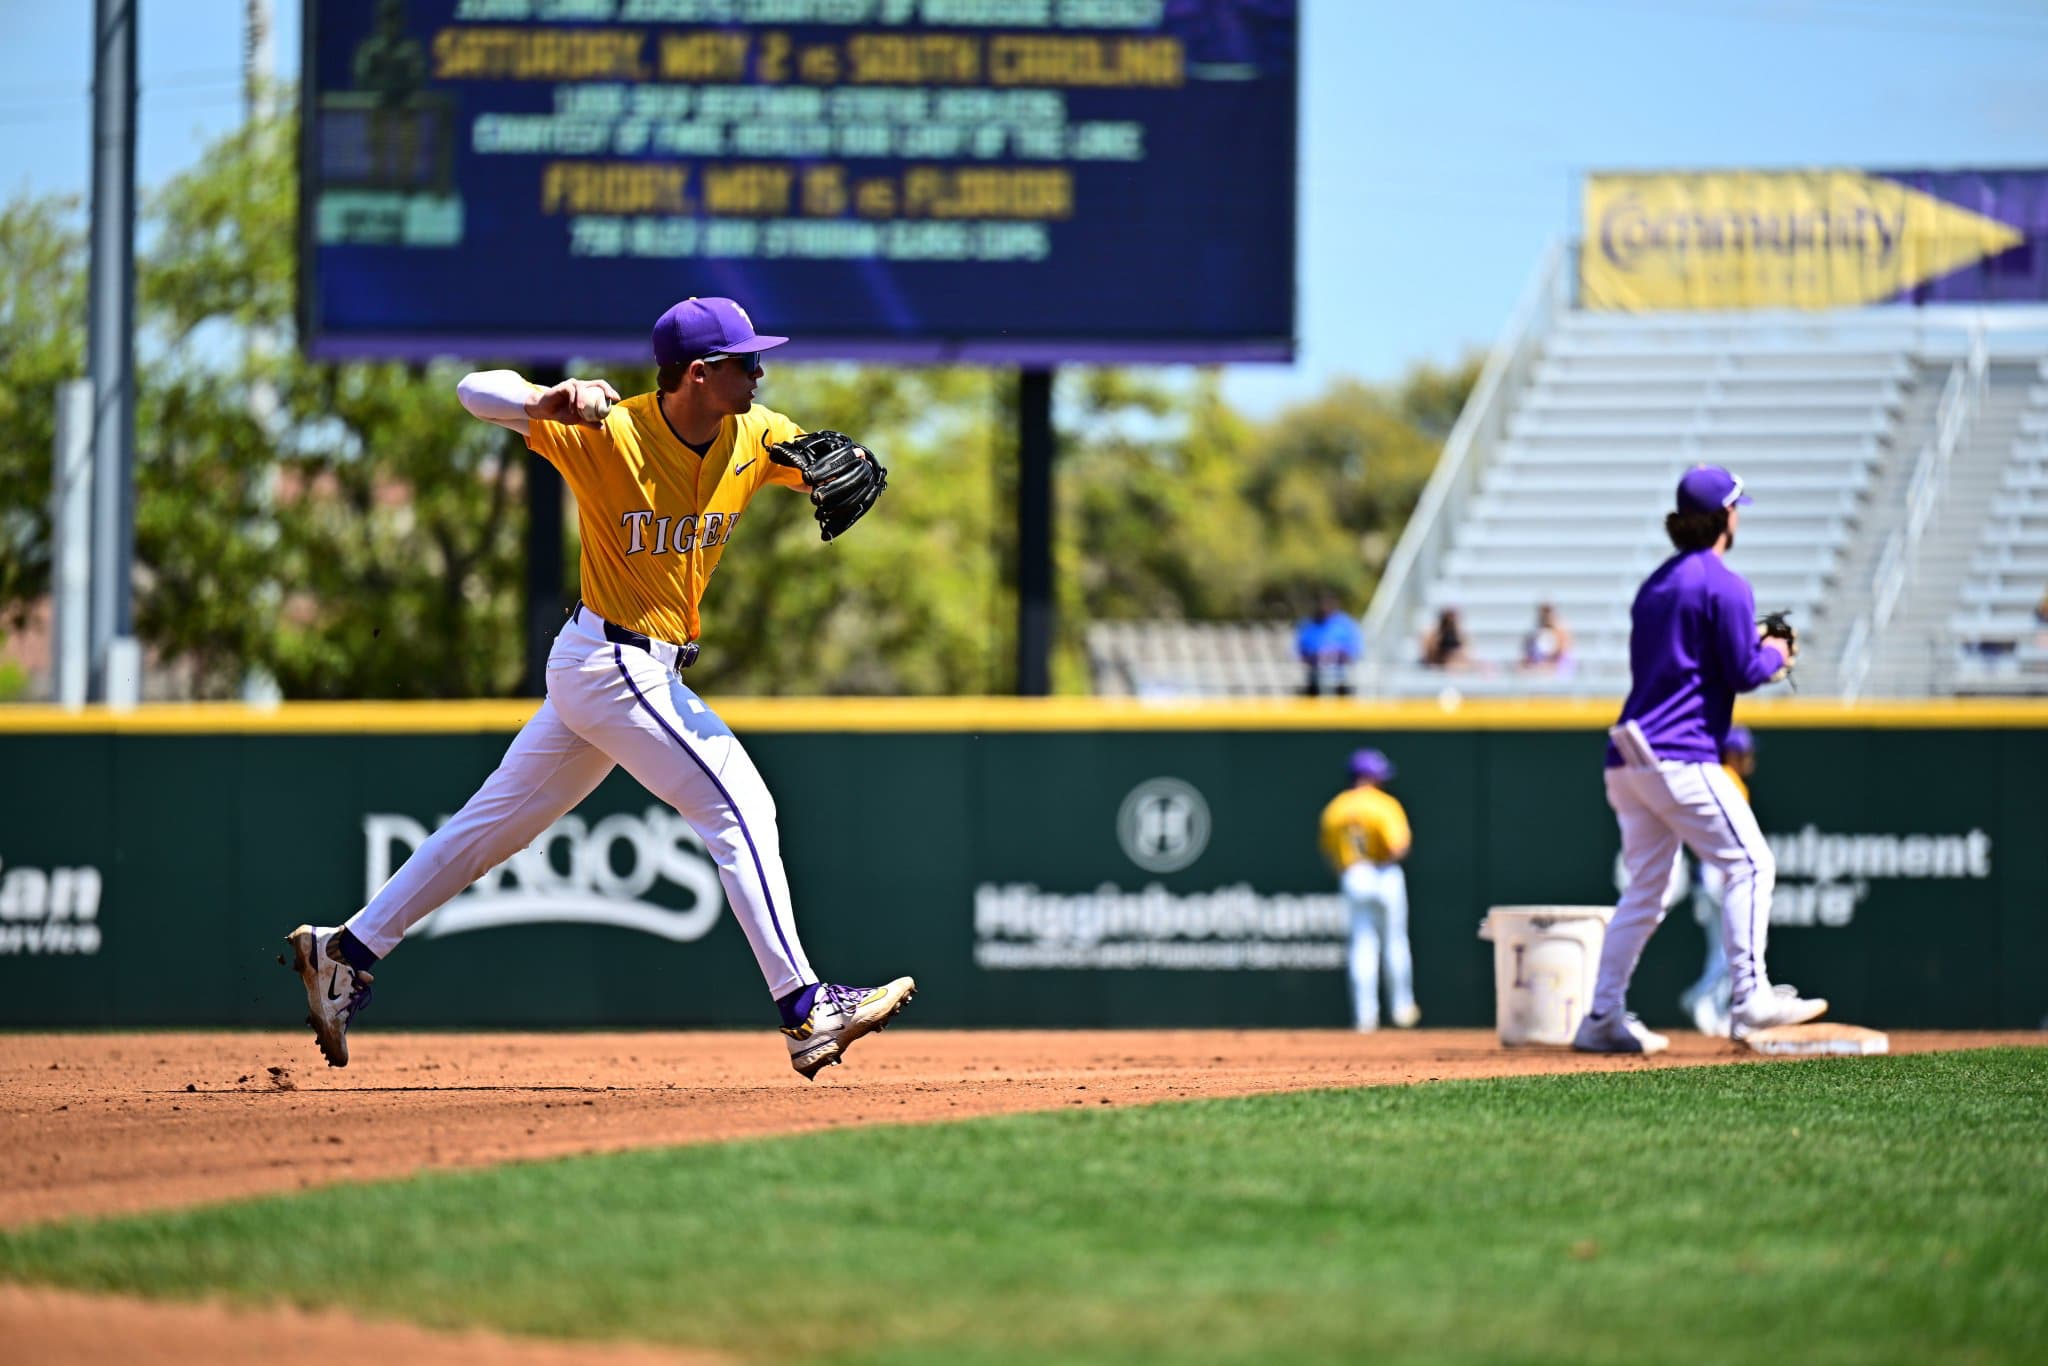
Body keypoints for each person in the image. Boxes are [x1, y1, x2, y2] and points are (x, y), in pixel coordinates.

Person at [282, 296, 914, 1079]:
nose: (760, 371)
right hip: (613, 660)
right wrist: (541, 400)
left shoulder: (753, 433)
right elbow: (473, 391)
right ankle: (806, 1009)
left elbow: (812, 459)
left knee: (490, 829)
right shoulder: (608, 432)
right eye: (746, 360)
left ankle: (345, 951)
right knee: (741, 806)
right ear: (698, 372)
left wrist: (848, 456)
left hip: (622, 668)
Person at [1575, 464, 1823, 1054]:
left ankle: (1602, 1016)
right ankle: (1751, 998)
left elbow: (1683, 661)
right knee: (1752, 864)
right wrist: (1774, 654)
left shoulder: (1656, 584)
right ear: (1724, 517)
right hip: (1677, 753)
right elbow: (1742, 671)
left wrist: (1748, 644)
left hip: (1627, 755)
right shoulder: (1725, 584)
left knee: (1647, 892)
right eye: (1736, 508)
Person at [1319, 748, 1419, 1031]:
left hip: (1354, 875)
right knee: (1395, 942)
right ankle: (1401, 1009)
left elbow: (1329, 854)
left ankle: (1365, 1016)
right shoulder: (1384, 805)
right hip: (1383, 873)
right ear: (1371, 776)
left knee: (1362, 946)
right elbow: (1398, 847)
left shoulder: (1336, 808)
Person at [1674, 725, 1759, 1038]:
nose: (1750, 758)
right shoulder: (1729, 781)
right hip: (1719, 873)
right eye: (1746, 752)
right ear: (1733, 753)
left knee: (1726, 948)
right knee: (1731, 948)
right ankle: (1703, 999)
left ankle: (1709, 1004)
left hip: (1709, 872)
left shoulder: (1716, 778)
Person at [1296, 590, 1364, 697]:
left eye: (1328, 603)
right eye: (1322, 603)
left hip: (1340, 680)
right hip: (1314, 679)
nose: (1324, 607)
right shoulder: (1308, 624)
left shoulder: (1346, 624)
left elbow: (1355, 650)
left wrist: (1338, 655)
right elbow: (1300, 651)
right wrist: (1316, 657)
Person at [1519, 602, 1575, 675]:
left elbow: (1561, 653)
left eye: (1548, 613)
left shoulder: (1562, 633)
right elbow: (1528, 653)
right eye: (1543, 614)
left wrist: (1548, 664)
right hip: (1539, 666)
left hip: (1557, 667)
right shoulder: (1533, 634)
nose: (1546, 617)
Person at [1419, 607, 1472, 671]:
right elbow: (1428, 655)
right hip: (1434, 662)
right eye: (1447, 622)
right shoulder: (1431, 636)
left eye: (1452, 623)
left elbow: (1465, 654)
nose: (1449, 626)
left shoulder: (1460, 636)